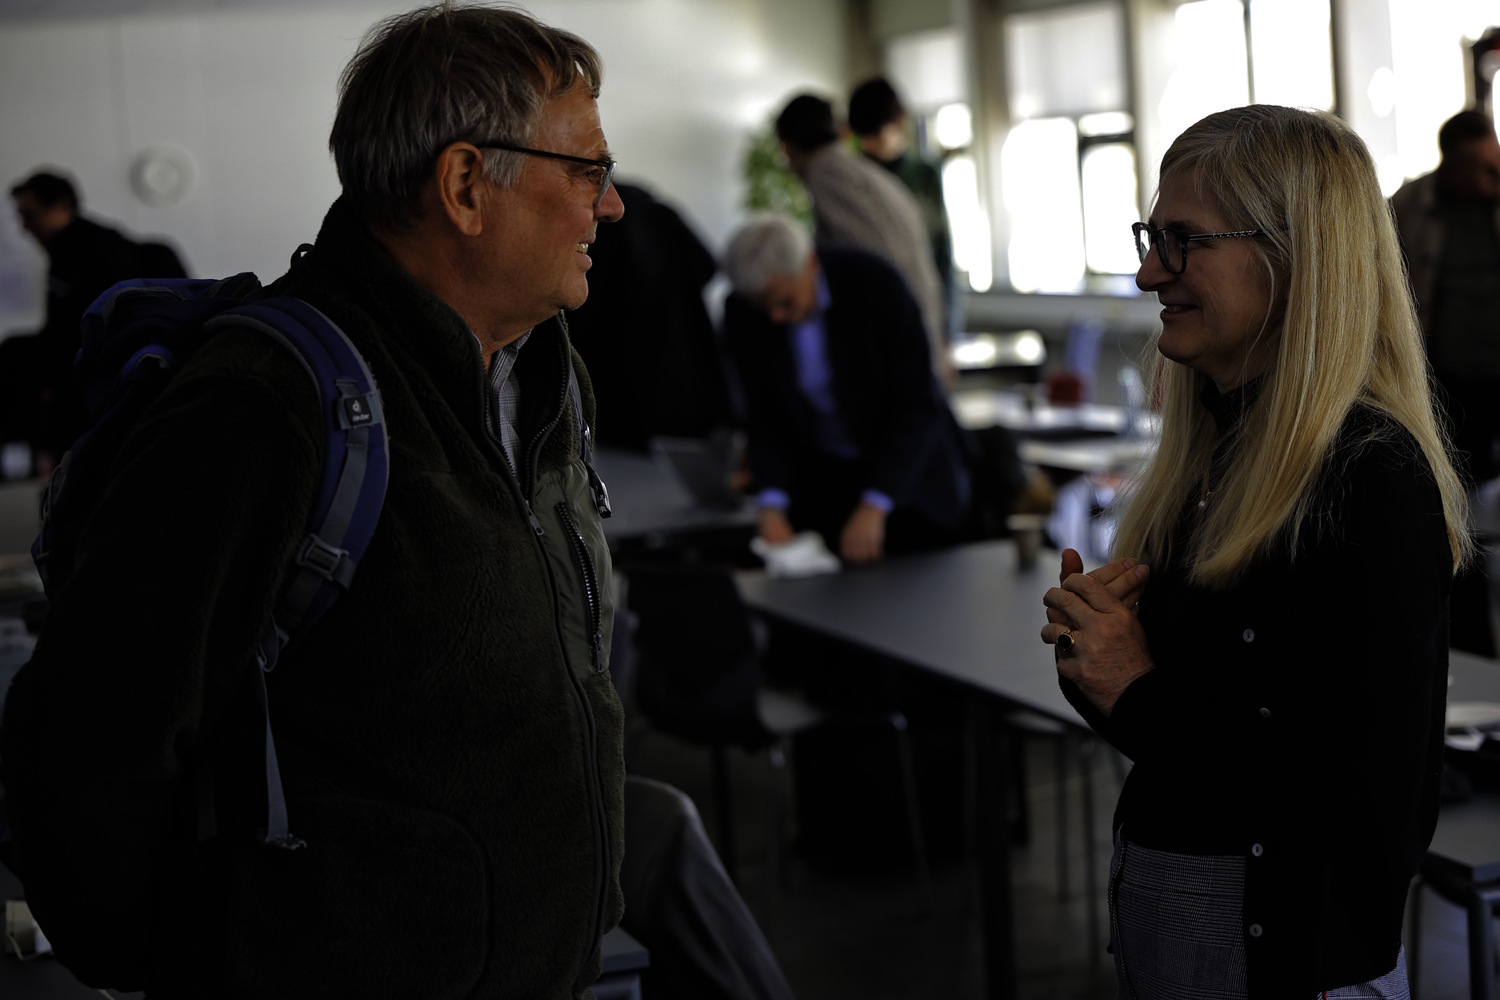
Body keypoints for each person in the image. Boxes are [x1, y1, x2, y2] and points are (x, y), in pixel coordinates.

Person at [2, 7, 628, 997]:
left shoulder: (548, 380)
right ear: (467, 185)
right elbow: (88, 746)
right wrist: (201, 960)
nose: (612, 205)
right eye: (589, 170)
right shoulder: (265, 406)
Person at [1039, 105, 1471, 998]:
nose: (1150, 271)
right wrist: (1099, 658)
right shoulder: (1215, 459)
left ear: (1291, 256)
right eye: (1151, 238)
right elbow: (1182, 732)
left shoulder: (1370, 481)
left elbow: (1358, 807)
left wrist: (1135, 684)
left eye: (1183, 241)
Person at [722, 212, 970, 564]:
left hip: (910, 482)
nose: (775, 316)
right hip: (827, 488)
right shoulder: (743, 312)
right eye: (764, 306)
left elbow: (917, 404)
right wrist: (771, 505)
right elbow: (764, 417)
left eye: (786, 302)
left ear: (809, 264)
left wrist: (876, 502)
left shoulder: (876, 283)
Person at [1389, 109, 1500, 656]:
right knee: (1453, 517)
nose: (1494, 178)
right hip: (1442, 389)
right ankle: (1467, 644)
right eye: (1484, 169)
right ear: (1451, 165)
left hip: (1495, 384)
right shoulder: (1409, 208)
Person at [3, 171, 187, 473]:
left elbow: (89, 333)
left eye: (30, 216)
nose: (25, 228)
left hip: (110, 377)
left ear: (61, 206)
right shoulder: (74, 250)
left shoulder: (92, 251)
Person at [773, 93, 949, 383]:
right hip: (918, 333)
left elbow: (864, 275)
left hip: (899, 347)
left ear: (788, 148)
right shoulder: (861, 171)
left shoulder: (827, 177)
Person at [847, 76, 958, 345]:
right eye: (865, 136)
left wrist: (947, 330)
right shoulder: (853, 179)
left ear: (899, 121)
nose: (871, 144)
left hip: (922, 306)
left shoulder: (922, 175)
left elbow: (942, 252)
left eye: (877, 134)